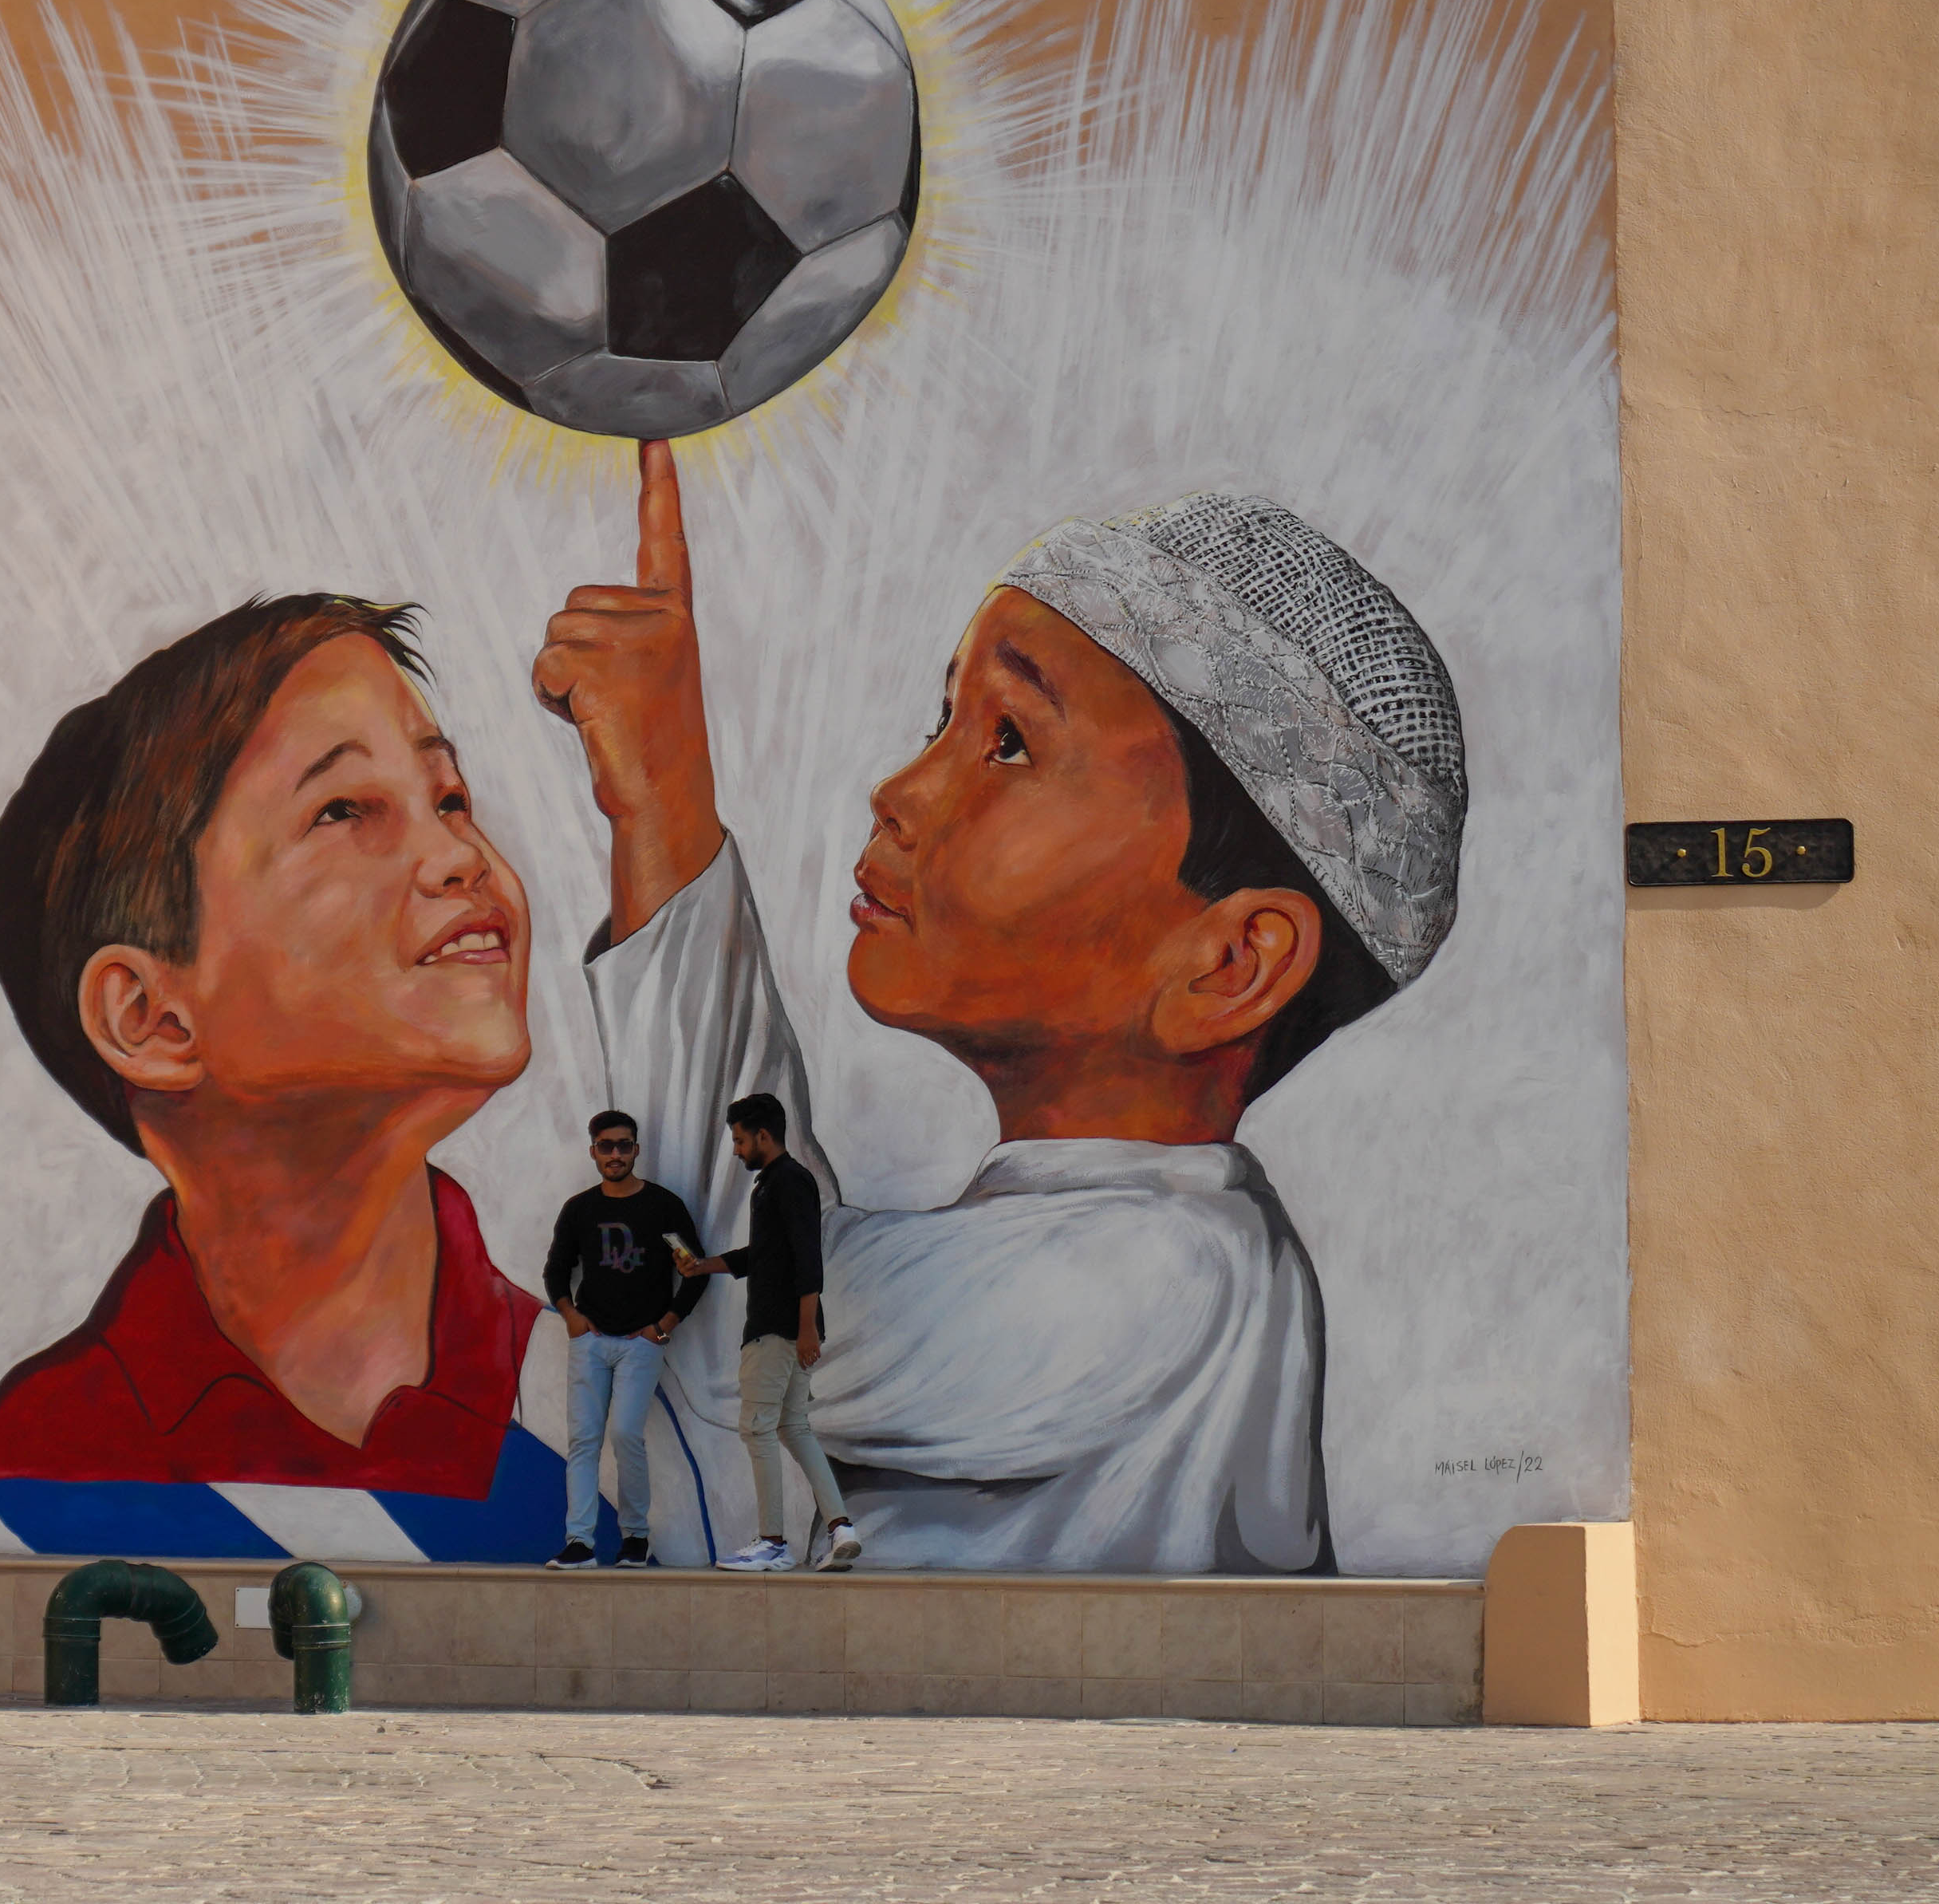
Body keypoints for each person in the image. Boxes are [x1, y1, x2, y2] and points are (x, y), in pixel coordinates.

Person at [540, 443, 1464, 1571]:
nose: (901, 790)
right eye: (942, 720)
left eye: (1010, 742)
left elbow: (726, 1332)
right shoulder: (1174, 1248)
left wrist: (665, 801)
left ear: (1231, 965)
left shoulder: (1157, 1280)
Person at [0, 595, 575, 1562]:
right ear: (150, 1019)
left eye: (448, 797)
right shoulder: (32, 1474)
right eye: (342, 811)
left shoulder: (583, 1399)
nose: (459, 857)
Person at [676, 1094, 858, 1572]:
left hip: (777, 1331)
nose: (736, 1150)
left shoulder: (789, 1182)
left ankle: (773, 1543)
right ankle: (841, 1527)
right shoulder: (775, 1185)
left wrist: (804, 1329)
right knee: (792, 1428)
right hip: (786, 1330)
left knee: (756, 1429)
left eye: (739, 1139)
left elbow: (807, 1258)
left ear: (763, 1135)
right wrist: (703, 1267)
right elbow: (764, 1254)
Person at [539, 1110, 704, 1569]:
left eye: (624, 1145)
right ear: (593, 1151)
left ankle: (635, 1537)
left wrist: (663, 1326)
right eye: (607, 1146)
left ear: (636, 1150)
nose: (616, 1154)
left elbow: (694, 1271)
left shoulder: (664, 1207)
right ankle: (580, 1543)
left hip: (642, 1342)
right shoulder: (579, 1209)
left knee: (627, 1434)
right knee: (584, 1441)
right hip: (590, 1339)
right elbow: (556, 1270)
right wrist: (569, 1315)